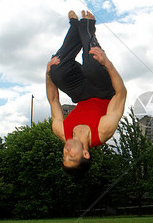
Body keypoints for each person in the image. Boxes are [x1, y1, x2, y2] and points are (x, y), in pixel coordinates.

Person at [46, 10, 127, 176]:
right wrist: (107, 62)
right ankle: (87, 26)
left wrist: (48, 74)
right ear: (85, 154)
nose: (66, 151)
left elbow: (54, 100)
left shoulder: (61, 131)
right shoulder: (103, 131)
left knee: (57, 71)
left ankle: (74, 27)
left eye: (64, 156)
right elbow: (121, 94)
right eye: (71, 156)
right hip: (104, 91)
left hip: (81, 94)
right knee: (92, 65)